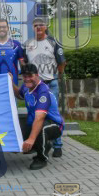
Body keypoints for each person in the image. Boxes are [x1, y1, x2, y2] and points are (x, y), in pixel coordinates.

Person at [24, 17, 66, 157]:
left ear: (46, 26)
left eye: (41, 25)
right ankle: (38, 143)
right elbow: (26, 63)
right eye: (36, 25)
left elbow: (62, 62)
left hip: (50, 84)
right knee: (35, 114)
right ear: (33, 27)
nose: (38, 27)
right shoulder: (28, 44)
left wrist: (57, 75)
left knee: (53, 115)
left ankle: (57, 145)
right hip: (35, 87)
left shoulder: (53, 42)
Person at [10, 63, 63, 170]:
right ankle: (40, 146)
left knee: (40, 129)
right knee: (18, 142)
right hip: (35, 122)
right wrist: (11, 82)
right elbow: (19, 94)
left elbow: (40, 118)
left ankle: (41, 158)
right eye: (25, 76)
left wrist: (30, 139)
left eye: (30, 76)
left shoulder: (43, 92)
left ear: (37, 75)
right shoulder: (26, 87)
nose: (27, 79)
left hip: (54, 125)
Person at [0, 18, 25, 83]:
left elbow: (23, 65)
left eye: (4, 27)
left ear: (8, 28)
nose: (2, 29)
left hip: (12, 84)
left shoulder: (16, 45)